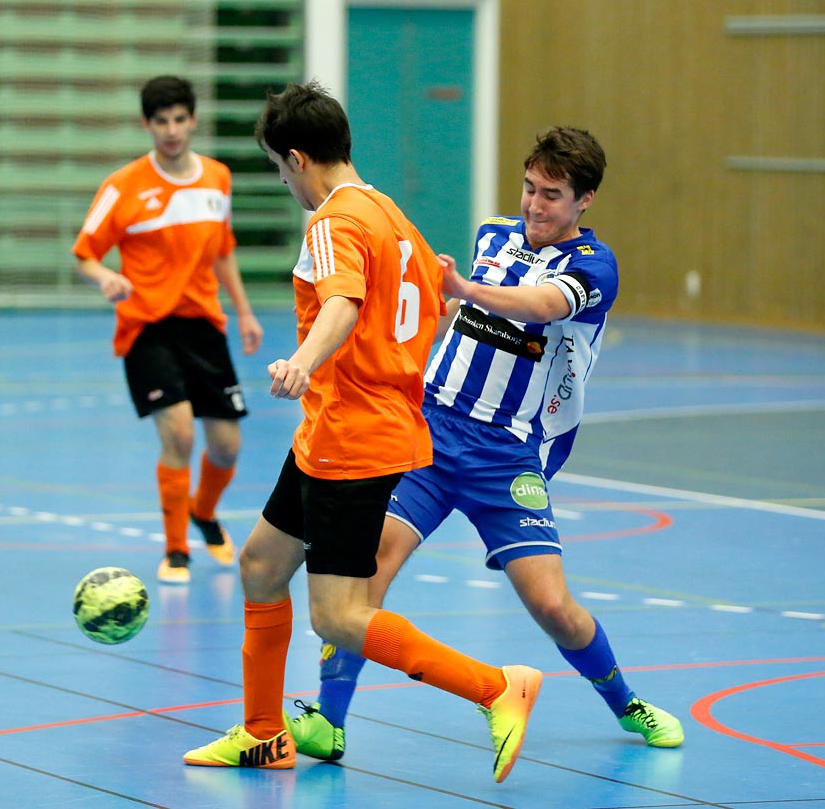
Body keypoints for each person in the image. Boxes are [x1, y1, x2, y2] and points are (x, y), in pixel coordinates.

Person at [182, 81, 541, 783]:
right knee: (259, 565)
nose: (285, 183)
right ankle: (263, 732)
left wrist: (304, 360)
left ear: (297, 158)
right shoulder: (392, 215)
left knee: (340, 617)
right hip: (342, 427)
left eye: (280, 169)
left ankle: (497, 688)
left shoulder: (332, 221)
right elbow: (430, 302)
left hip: (352, 436)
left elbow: (343, 303)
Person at [288, 126, 685, 762]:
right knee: (363, 579)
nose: (534, 204)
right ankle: (328, 720)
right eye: (529, 188)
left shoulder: (594, 266)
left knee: (552, 606)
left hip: (505, 454)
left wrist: (466, 291)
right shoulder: (493, 235)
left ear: (585, 201)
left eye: (551, 195)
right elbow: (446, 309)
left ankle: (625, 702)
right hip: (430, 432)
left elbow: (541, 306)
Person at [72, 75, 263, 585]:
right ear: (147, 125)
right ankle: (176, 549)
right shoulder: (123, 187)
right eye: (161, 121)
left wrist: (243, 312)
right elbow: (84, 254)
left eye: (180, 119)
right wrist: (106, 276)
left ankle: (204, 511)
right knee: (178, 433)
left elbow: (223, 251)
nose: (172, 130)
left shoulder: (217, 178)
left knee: (226, 446)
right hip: (147, 326)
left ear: (193, 120)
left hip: (203, 324)